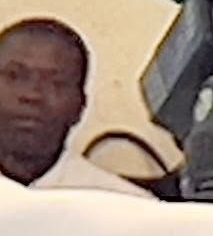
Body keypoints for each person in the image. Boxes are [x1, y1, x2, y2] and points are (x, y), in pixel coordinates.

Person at [0, 18, 151, 198]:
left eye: (56, 83)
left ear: (80, 106)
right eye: (14, 76)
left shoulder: (124, 204)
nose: (32, 95)